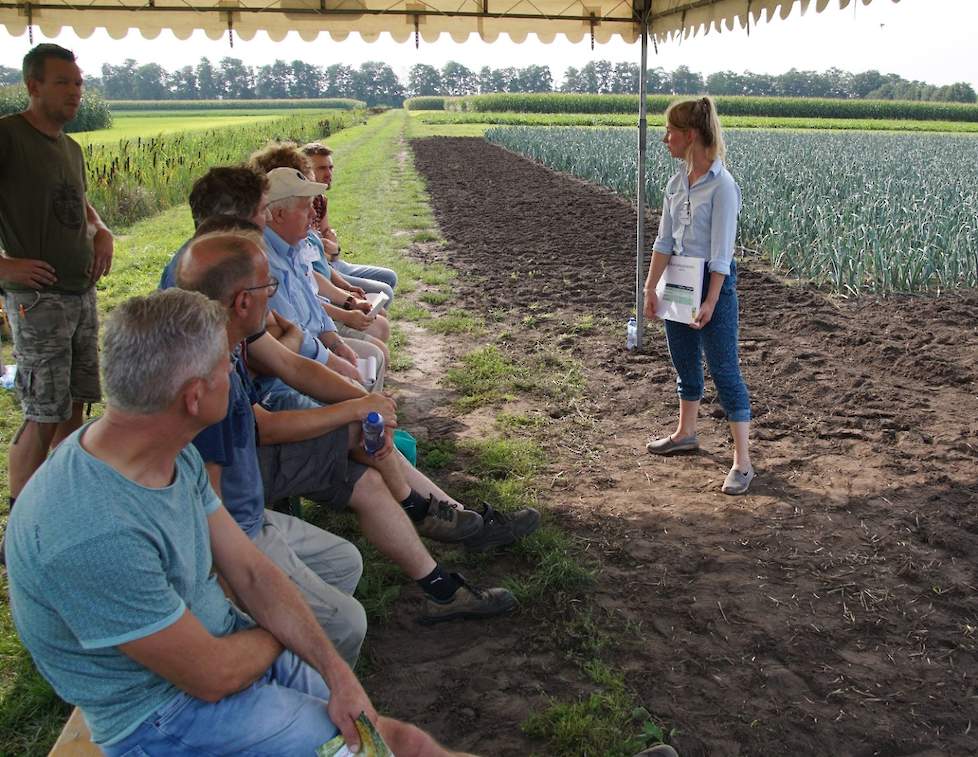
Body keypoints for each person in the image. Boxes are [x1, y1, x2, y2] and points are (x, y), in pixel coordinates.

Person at [4, 288, 465, 755]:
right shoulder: (92, 530)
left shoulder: (168, 451)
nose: (236, 374)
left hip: (229, 651)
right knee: (379, 748)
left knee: (403, 741)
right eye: (227, 364)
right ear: (194, 396)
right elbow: (213, 674)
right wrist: (280, 633)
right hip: (165, 719)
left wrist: (333, 669)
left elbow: (249, 570)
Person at [177, 229, 531, 624]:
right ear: (243, 300)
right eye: (268, 285)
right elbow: (265, 428)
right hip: (237, 482)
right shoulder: (209, 362)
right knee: (356, 435)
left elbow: (294, 364)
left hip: (243, 465)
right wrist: (355, 409)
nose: (273, 292)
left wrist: (360, 400)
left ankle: (443, 586)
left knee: (367, 479)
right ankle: (428, 512)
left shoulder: (226, 326)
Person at [0, 44, 113, 558]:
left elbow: (80, 203)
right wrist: (4, 267)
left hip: (80, 293)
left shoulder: (70, 148)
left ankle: (59, 499)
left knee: (76, 401)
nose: (75, 92)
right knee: (43, 409)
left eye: (79, 83)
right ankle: (20, 525)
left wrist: (103, 231)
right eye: (64, 82)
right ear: (33, 86)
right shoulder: (8, 138)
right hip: (37, 300)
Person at [642, 96, 754, 496]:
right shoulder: (676, 184)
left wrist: (710, 302)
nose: (664, 138)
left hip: (712, 285)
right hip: (679, 279)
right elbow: (664, 241)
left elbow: (722, 255)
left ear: (690, 136)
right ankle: (685, 433)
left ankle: (742, 462)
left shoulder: (723, 187)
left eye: (670, 130)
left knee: (724, 370)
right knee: (684, 360)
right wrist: (651, 287)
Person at [302, 141, 399, 305]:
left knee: (390, 277)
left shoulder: (321, 200)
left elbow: (332, 247)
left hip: (333, 264)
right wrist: (327, 246)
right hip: (323, 269)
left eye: (330, 167)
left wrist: (333, 248)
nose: (328, 173)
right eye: (321, 168)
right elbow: (315, 252)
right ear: (306, 172)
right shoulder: (300, 204)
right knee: (385, 291)